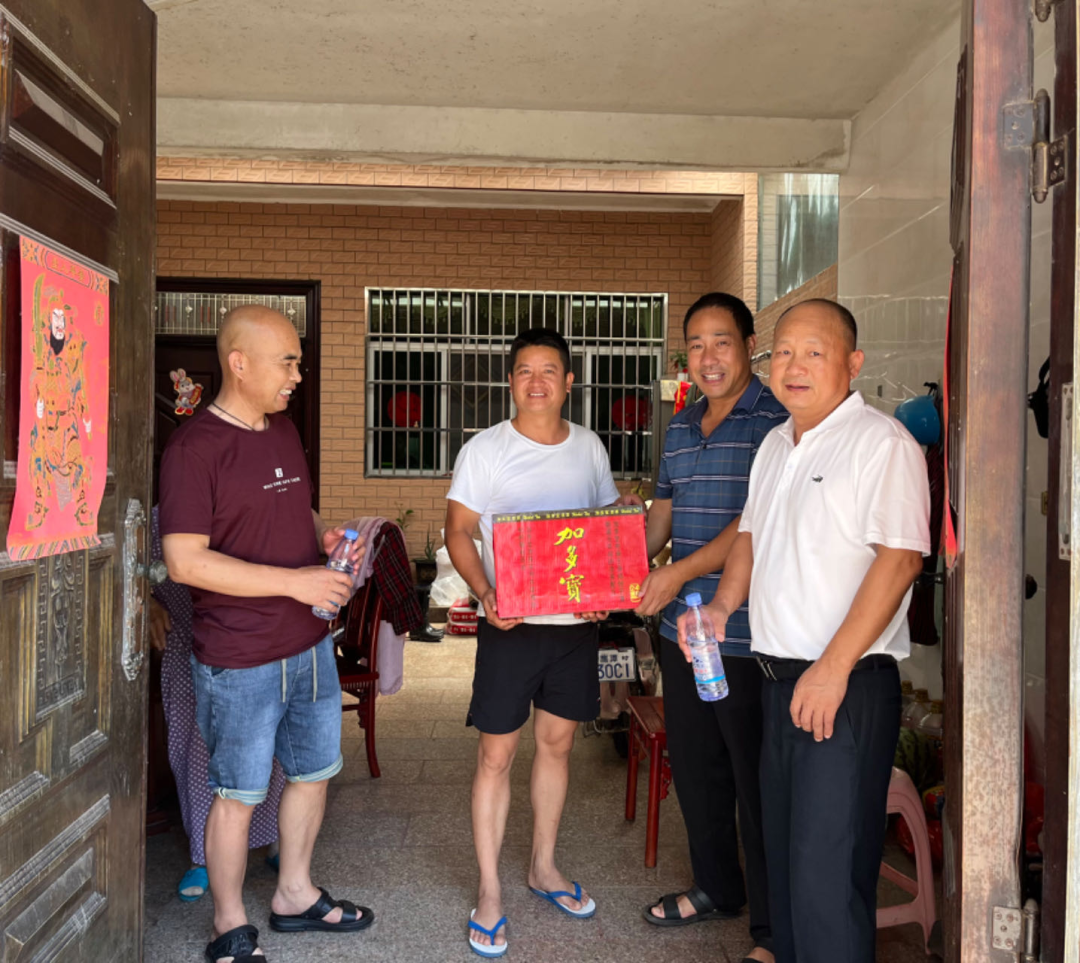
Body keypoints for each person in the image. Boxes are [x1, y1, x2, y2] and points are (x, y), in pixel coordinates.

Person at [679, 299, 929, 963]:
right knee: (785, 862)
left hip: (843, 686)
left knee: (827, 874)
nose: (794, 366)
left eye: (813, 352)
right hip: (777, 681)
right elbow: (751, 535)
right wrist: (722, 607)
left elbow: (901, 559)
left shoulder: (881, 444)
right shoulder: (776, 444)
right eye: (783, 352)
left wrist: (832, 667)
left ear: (852, 363)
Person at [160, 305, 374, 963]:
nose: (297, 376)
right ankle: (228, 924)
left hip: (309, 646)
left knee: (313, 773)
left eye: (297, 363)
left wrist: (322, 536)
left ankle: (294, 893)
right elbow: (185, 561)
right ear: (239, 362)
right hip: (240, 657)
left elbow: (295, 506)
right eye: (287, 362)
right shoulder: (193, 449)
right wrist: (296, 583)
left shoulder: (282, 430)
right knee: (237, 793)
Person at [444, 327, 641, 958]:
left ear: (569, 382)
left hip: (575, 632)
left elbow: (602, 529)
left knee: (557, 748)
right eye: (525, 371)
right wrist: (484, 592)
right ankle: (489, 891)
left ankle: (543, 867)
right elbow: (458, 531)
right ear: (511, 381)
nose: (537, 382)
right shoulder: (485, 449)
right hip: (511, 629)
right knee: (495, 757)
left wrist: (616, 557)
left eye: (549, 371)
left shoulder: (588, 447)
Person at [636, 293, 785, 961]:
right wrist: (622, 563)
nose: (708, 356)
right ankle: (717, 887)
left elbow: (754, 524)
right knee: (697, 769)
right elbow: (660, 519)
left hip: (746, 634)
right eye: (695, 344)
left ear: (749, 344)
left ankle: (773, 929)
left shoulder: (774, 421)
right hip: (681, 633)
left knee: (756, 779)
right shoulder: (680, 425)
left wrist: (677, 572)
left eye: (721, 341)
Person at [148, 506, 285, 903]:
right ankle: (202, 856)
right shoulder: (158, 518)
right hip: (187, 639)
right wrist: (145, 601)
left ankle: (274, 839)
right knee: (195, 750)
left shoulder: (248, 504)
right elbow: (124, 567)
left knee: (267, 744)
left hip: (252, 635)